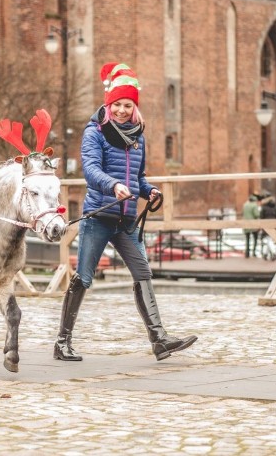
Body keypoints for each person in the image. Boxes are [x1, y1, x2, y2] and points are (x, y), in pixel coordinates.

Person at [54, 62, 197, 362]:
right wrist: (114, 185)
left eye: (127, 105)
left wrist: (149, 190)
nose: (121, 110)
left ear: (135, 106)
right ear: (109, 104)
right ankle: (62, 342)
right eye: (117, 104)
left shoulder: (138, 137)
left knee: (143, 272)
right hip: (100, 215)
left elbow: (139, 178)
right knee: (84, 277)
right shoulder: (95, 132)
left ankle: (159, 341)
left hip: (127, 220)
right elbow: (91, 170)